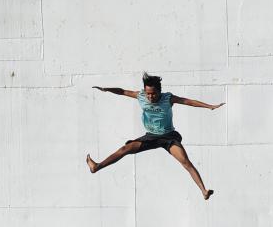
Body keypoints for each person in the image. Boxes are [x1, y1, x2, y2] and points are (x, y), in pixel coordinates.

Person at [86, 73, 225, 200]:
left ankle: (203, 191)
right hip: (150, 136)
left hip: (168, 137)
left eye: (153, 94)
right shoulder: (140, 96)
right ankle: (96, 166)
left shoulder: (168, 98)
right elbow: (122, 91)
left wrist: (210, 106)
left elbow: (188, 101)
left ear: (159, 91)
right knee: (125, 149)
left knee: (185, 161)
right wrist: (107, 89)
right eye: (148, 94)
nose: (150, 97)